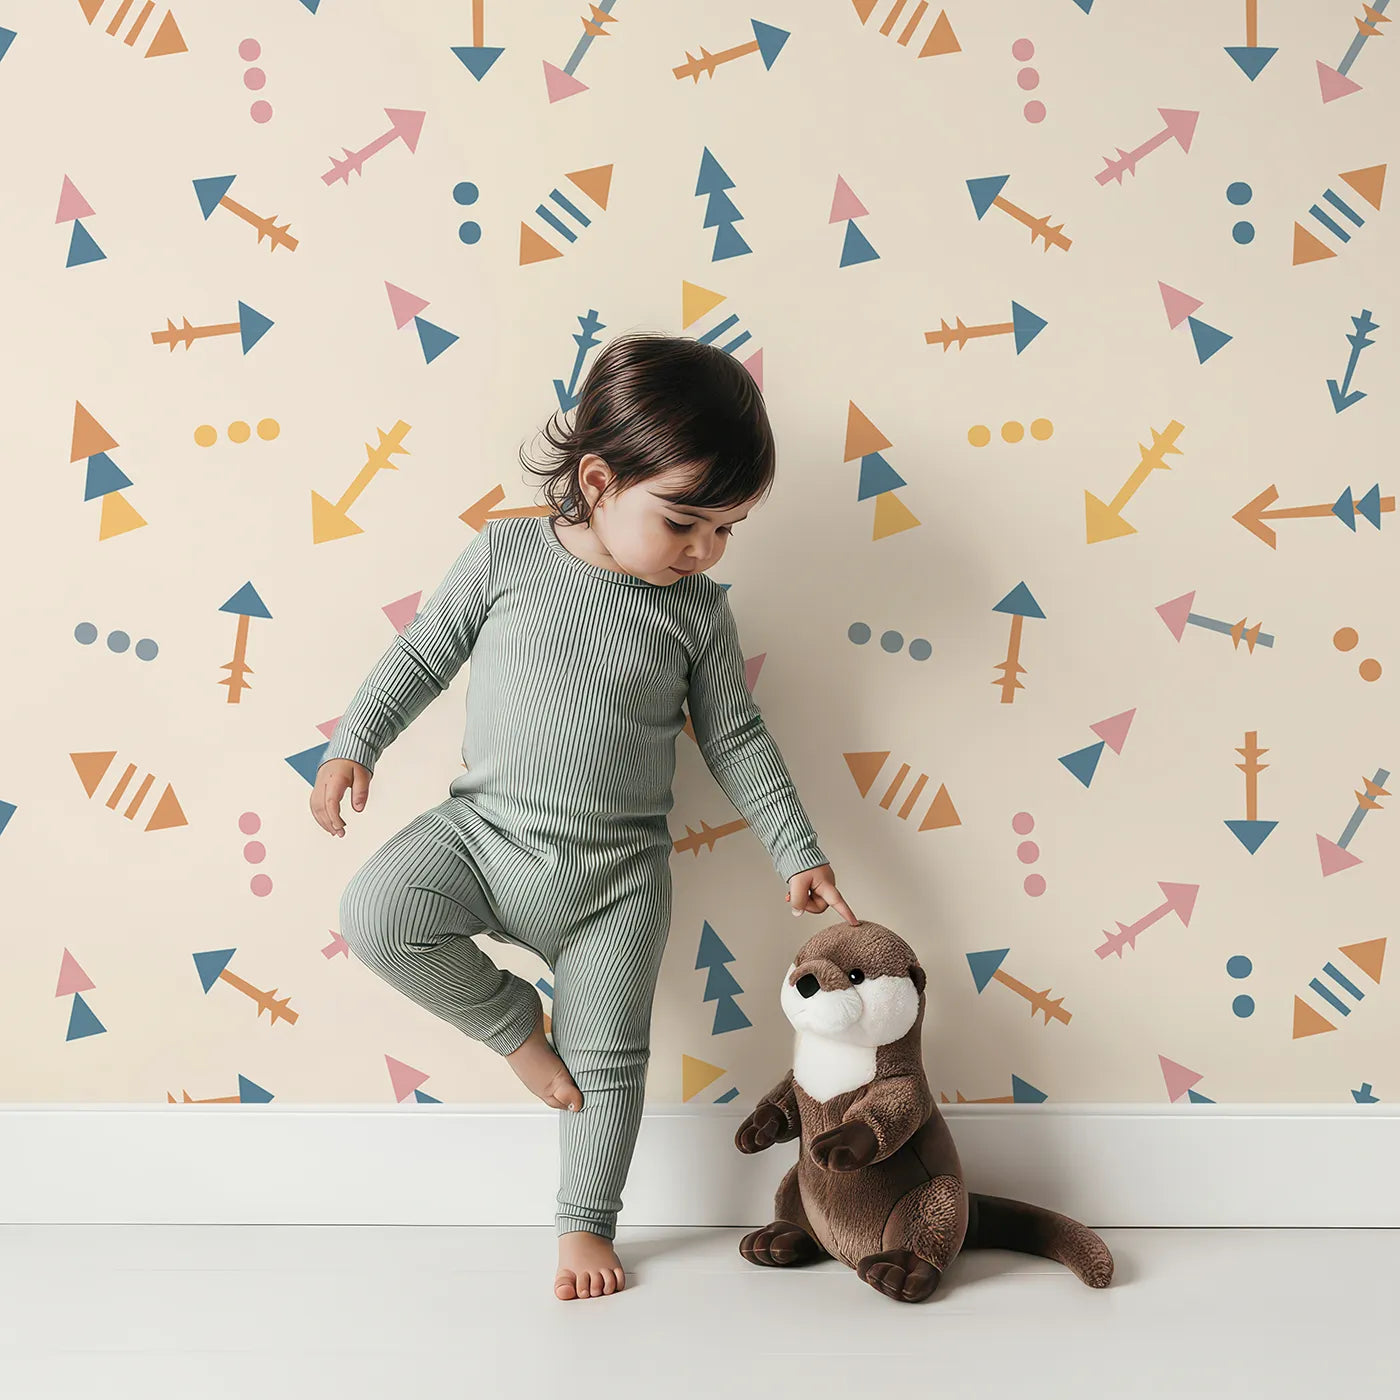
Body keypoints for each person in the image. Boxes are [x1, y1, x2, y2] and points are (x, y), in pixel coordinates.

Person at [310, 332, 858, 1301]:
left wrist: (794, 849)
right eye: (685, 520)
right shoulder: (505, 552)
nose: (703, 549)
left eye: (726, 529)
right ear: (598, 479)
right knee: (376, 913)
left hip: (614, 885)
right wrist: (357, 740)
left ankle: (583, 1223)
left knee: (606, 1065)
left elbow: (734, 736)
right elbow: (421, 654)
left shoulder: (695, 611)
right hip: (482, 838)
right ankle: (514, 1022)